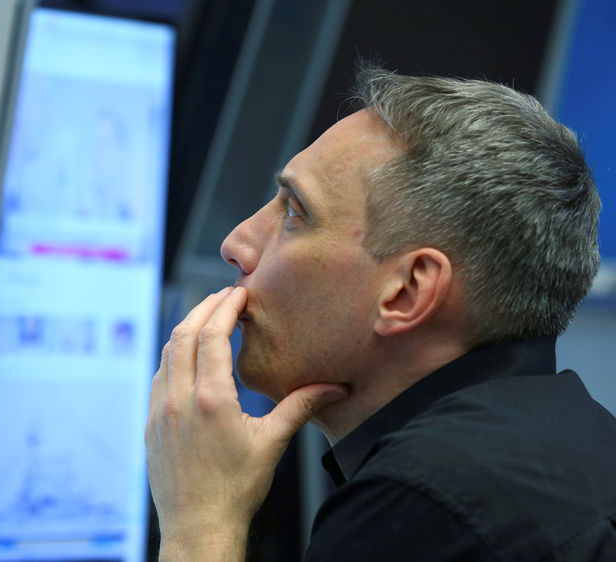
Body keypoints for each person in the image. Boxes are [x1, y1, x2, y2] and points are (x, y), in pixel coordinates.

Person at [145, 66, 616, 561]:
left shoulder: (423, 501)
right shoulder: (582, 445)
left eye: (294, 213)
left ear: (407, 292)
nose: (236, 244)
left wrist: (201, 520)